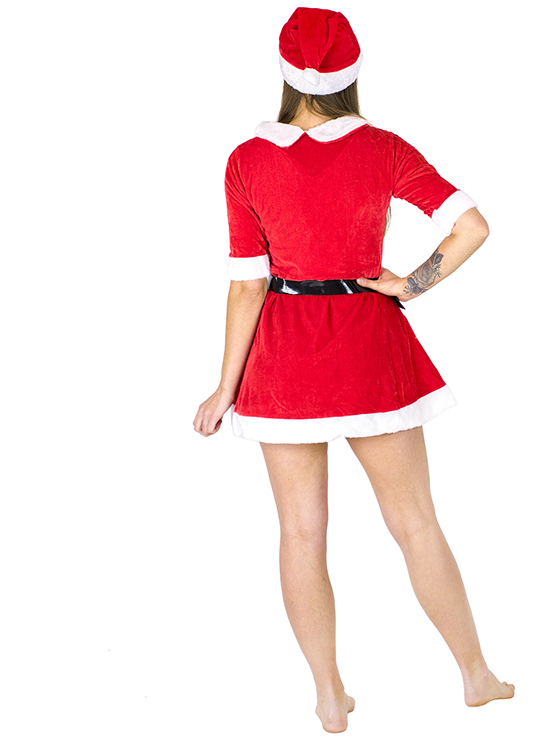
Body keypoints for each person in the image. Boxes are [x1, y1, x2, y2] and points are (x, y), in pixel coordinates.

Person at [192, 7, 512, 733]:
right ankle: (476, 675)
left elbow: (247, 284)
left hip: (284, 361)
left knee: (300, 534)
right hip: (371, 350)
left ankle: (330, 696)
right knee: (417, 523)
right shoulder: (383, 148)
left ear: (284, 73)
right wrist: (410, 285)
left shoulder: (246, 159)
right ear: (352, 73)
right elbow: (471, 226)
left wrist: (224, 387)